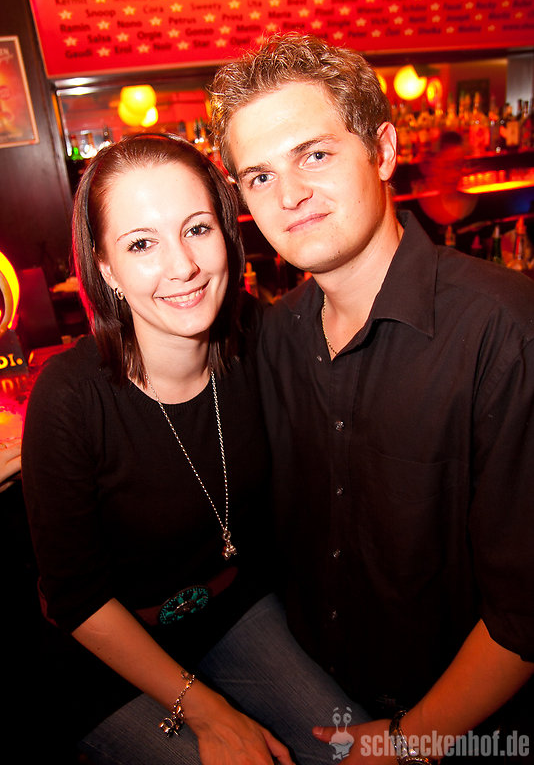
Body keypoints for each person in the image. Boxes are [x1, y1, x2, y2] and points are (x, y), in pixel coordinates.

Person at [209, 34, 534, 762]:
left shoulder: (505, 332)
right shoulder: (274, 339)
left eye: (314, 155)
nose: (288, 196)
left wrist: (408, 742)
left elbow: (525, 611)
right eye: (259, 176)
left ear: (382, 151)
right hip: (306, 695)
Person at [21, 133, 369, 765]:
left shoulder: (256, 338)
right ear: (105, 268)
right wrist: (209, 712)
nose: (181, 266)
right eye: (141, 244)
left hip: (232, 610)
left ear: (227, 237)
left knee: (352, 750)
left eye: (197, 229)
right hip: (108, 654)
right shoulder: (69, 399)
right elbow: (77, 600)